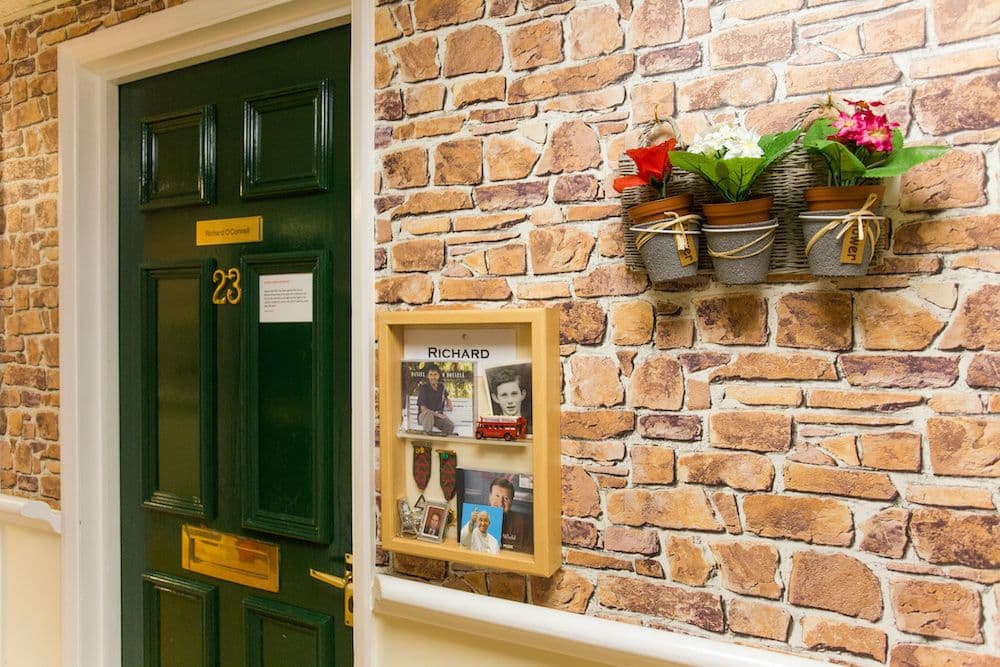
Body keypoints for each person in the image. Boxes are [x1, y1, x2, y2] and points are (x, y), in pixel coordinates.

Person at [488, 477, 533, 553]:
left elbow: (525, 554)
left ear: (511, 502)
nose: (500, 503)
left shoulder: (521, 524)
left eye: (506, 498)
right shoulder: (476, 517)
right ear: (490, 497)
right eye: (497, 496)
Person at [416, 363, 454, 435]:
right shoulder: (423, 388)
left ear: (439, 376)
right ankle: (427, 440)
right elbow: (423, 409)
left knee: (450, 425)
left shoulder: (441, 386)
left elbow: (445, 395)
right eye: (431, 374)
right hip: (424, 416)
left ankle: (441, 442)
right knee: (428, 414)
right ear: (427, 376)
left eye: (435, 374)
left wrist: (448, 400)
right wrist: (439, 415)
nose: (433, 377)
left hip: (436, 417)